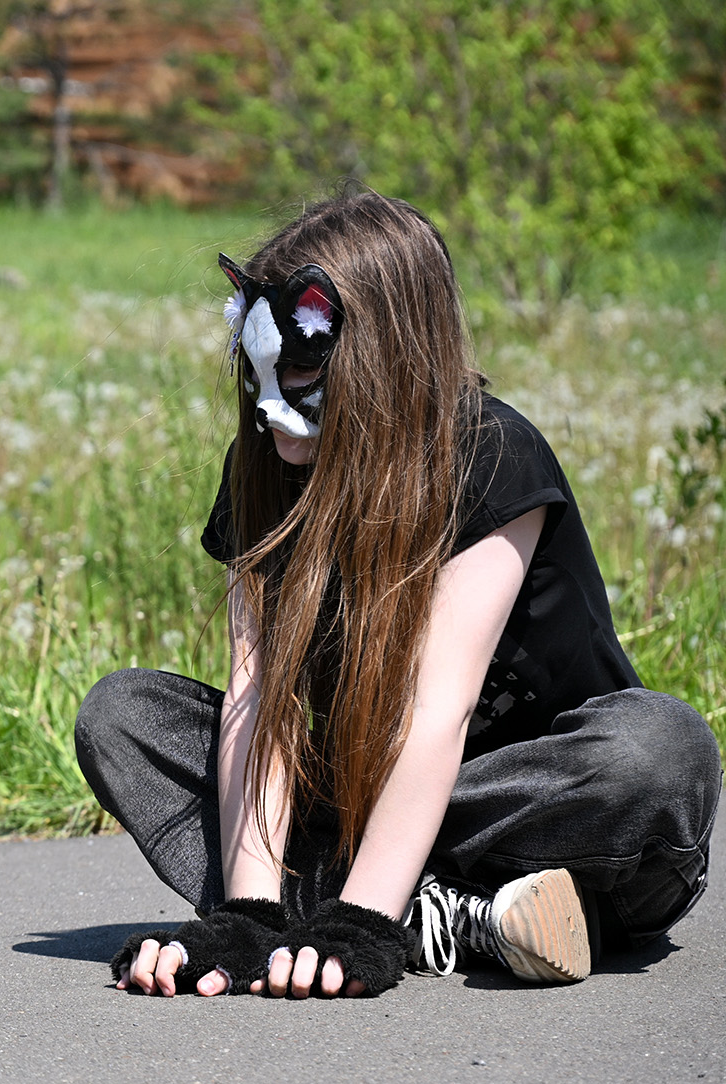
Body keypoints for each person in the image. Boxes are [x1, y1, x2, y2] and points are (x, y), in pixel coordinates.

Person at [73, 191, 719, 999]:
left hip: (551, 816)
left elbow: (433, 711)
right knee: (123, 716)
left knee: (659, 748)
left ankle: (382, 907)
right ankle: (456, 916)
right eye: (256, 367)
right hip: (363, 803)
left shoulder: (488, 454)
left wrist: (360, 922)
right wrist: (245, 915)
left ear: (383, 359)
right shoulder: (269, 472)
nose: (270, 400)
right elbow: (258, 703)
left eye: (302, 369)